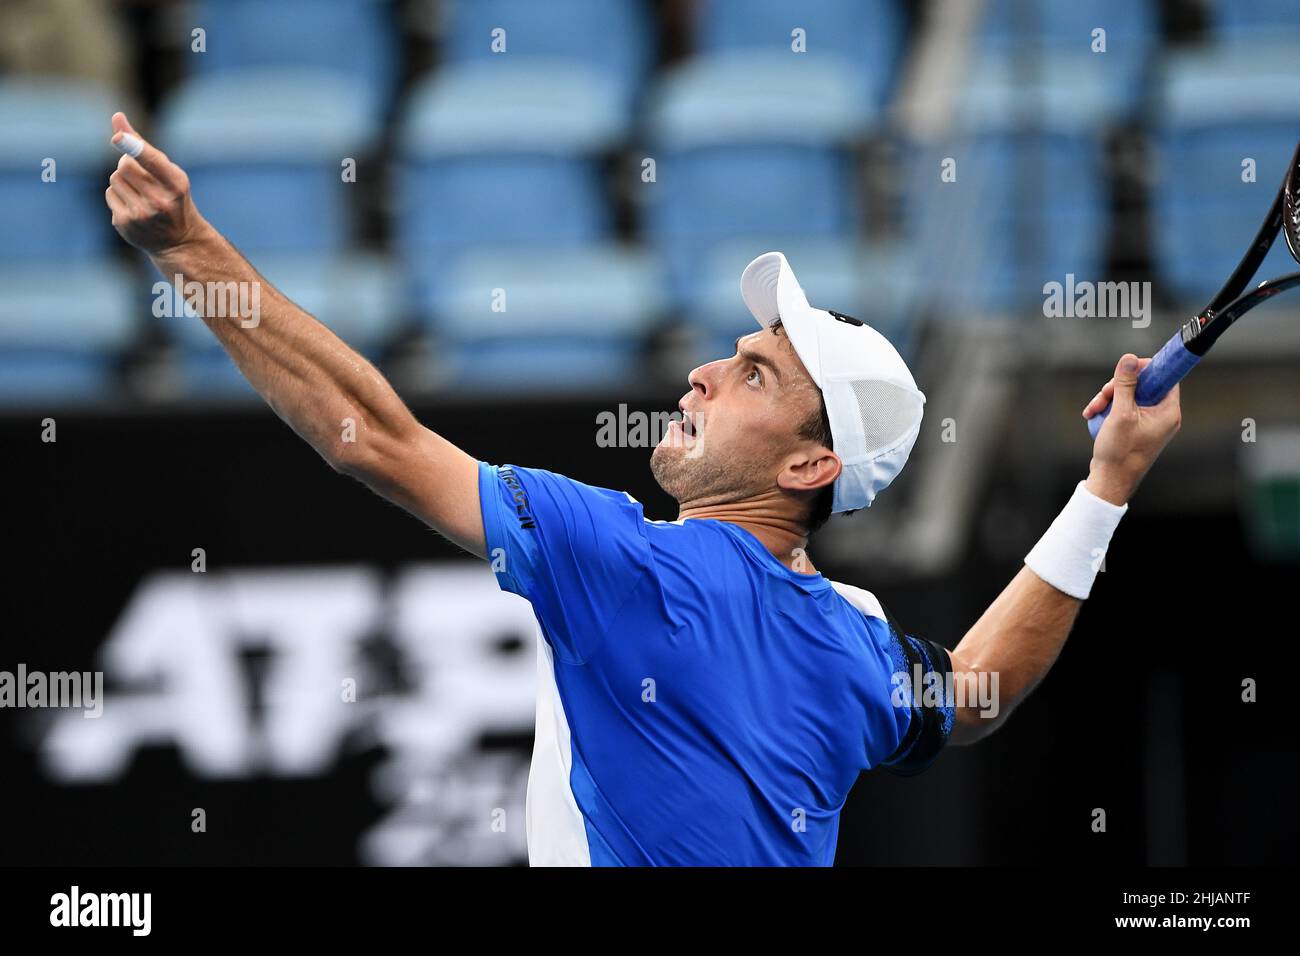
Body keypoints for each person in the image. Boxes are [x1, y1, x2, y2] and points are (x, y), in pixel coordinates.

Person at [104, 112, 1182, 866]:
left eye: (753, 373)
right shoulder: (859, 643)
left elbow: (371, 440)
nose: (702, 373)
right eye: (731, 351)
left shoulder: (633, 564)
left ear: (809, 466)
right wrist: (1106, 485)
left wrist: (187, 244)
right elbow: (977, 693)